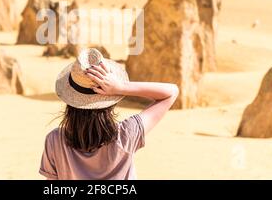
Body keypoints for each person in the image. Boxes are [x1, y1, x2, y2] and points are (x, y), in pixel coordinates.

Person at [39, 48, 179, 180]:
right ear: (110, 101)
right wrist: (121, 87)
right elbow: (171, 92)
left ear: (70, 102)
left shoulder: (55, 140)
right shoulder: (126, 134)